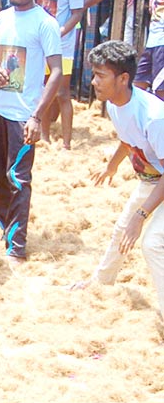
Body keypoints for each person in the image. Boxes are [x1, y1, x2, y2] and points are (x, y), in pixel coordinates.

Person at [69, 40, 164, 324]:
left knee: (152, 243)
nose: (94, 81)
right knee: (123, 228)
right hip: (152, 178)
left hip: (159, 179)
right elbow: (128, 139)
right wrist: (111, 166)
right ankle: (100, 283)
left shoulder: (154, 116)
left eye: (101, 75)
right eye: (94, 73)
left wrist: (142, 214)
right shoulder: (113, 104)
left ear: (123, 79)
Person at [0, 0, 63, 264]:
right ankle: (7, 228)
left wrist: (37, 116)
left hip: (24, 116)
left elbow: (55, 72)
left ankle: (17, 247)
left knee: (18, 179)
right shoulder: (1, 19)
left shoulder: (46, 23)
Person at [36, 0, 84, 149]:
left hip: (62, 44)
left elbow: (77, 12)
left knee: (63, 93)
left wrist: (61, 31)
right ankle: (44, 136)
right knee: (44, 89)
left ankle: (66, 142)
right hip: (40, 42)